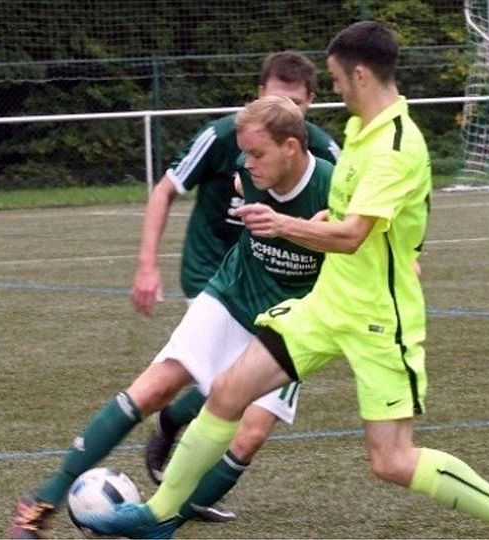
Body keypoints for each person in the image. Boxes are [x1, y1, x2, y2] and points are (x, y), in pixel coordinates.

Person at [81, 21, 489, 540]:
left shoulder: (397, 147)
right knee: (227, 392)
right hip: (327, 303)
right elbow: (338, 219)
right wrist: (293, 222)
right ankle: (159, 518)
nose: (332, 89)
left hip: (379, 315)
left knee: (392, 460)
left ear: (359, 73)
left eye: (335, 78)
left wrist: (280, 223)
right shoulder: (360, 131)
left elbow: (353, 234)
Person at [7, 96, 333, 539]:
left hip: (291, 319)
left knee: (249, 435)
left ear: (292, 147)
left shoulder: (334, 184)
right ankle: (42, 499)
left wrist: (315, 231)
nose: (246, 162)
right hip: (233, 294)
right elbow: (209, 184)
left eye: (257, 153)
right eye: (245, 153)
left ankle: (163, 524)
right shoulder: (246, 170)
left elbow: (361, 240)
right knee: (157, 384)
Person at [136, 51, 341, 521]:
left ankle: (179, 475)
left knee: (237, 388)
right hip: (216, 270)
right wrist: (147, 264)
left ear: (311, 101)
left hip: (286, 287)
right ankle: (178, 493)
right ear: (258, 97)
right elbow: (166, 188)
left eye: (295, 102)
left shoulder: (327, 155)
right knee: (227, 382)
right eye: (276, 99)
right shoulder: (225, 135)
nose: (285, 110)